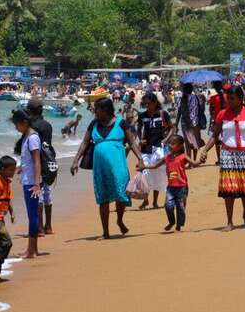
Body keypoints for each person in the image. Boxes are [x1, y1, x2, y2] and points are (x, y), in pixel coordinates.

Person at [199, 86, 245, 231]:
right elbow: (214, 135)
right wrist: (205, 150)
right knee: (229, 188)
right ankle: (230, 221)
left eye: (232, 99)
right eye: (228, 99)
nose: (229, 102)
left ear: (241, 99)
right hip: (228, 154)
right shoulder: (221, 115)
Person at [70, 98, 145, 239]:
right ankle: (106, 232)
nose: (94, 112)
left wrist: (140, 159)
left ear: (104, 110)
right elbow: (84, 143)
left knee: (121, 193)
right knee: (103, 197)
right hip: (100, 167)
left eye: (96, 109)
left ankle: (119, 220)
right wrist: (75, 161)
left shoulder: (121, 123)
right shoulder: (94, 124)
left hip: (119, 164)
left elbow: (132, 143)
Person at [139, 135, 200, 232]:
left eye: (173, 144)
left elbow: (194, 163)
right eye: (169, 144)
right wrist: (144, 167)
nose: (170, 146)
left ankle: (178, 225)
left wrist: (200, 160)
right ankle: (172, 222)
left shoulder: (183, 157)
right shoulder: (166, 158)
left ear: (180, 146)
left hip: (182, 187)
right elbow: (155, 165)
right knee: (168, 206)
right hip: (171, 188)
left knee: (180, 207)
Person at [137, 92, 175, 209]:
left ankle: (154, 201)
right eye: (145, 104)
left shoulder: (163, 114)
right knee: (145, 173)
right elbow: (138, 129)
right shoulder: (142, 116)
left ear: (154, 102)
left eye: (148, 103)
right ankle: (146, 199)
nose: (147, 106)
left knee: (157, 174)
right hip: (146, 148)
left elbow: (172, 128)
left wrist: (166, 139)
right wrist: (140, 138)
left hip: (159, 147)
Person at [12, 110, 41, 258]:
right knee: (32, 215)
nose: (16, 128)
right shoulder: (27, 137)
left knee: (33, 215)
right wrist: (20, 168)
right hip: (28, 180)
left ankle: (32, 250)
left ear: (23, 122)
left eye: (17, 125)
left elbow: (37, 161)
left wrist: (36, 184)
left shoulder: (33, 138)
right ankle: (32, 249)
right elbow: (29, 161)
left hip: (31, 182)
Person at [26, 98, 55, 235]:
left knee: (38, 196)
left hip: (38, 160)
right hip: (49, 158)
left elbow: (33, 148)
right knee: (47, 193)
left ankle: (39, 228)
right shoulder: (48, 124)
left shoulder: (32, 127)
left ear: (31, 111)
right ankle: (48, 226)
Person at [177, 83, 205, 159]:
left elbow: (179, 112)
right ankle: (194, 160)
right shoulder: (195, 97)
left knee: (187, 143)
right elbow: (199, 109)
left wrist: (176, 123)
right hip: (194, 122)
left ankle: (190, 161)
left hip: (184, 123)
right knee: (195, 141)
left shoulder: (181, 99)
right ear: (191, 89)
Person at [208, 81, 227, 164]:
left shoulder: (213, 98)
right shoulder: (227, 97)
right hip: (227, 121)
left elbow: (211, 111)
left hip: (217, 121)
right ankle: (226, 158)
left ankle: (219, 159)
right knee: (226, 139)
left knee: (217, 140)